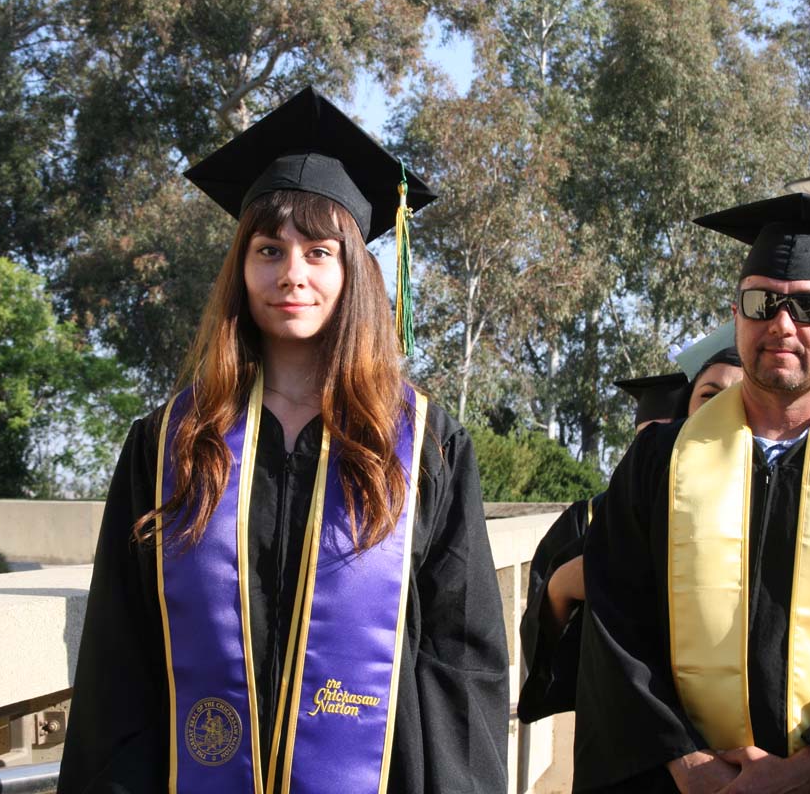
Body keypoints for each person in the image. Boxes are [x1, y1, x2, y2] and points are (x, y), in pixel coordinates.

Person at [57, 87, 509, 794]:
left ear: (352, 271)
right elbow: (119, 654)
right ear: (241, 267)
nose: (291, 274)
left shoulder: (426, 445)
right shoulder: (169, 444)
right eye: (269, 249)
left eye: (318, 252)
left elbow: (460, 658)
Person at [573, 192, 810, 793]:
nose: (783, 323)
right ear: (736, 314)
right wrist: (688, 764)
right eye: (763, 302)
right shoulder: (659, 463)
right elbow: (617, 624)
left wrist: (808, 773)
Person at [519, 361, 742, 723]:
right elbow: (549, 663)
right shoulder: (588, 519)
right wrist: (561, 587)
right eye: (646, 437)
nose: (652, 450)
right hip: (620, 730)